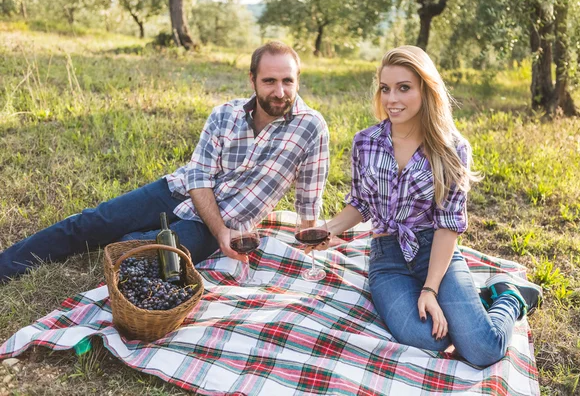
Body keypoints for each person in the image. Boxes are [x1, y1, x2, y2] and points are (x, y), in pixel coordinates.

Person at [0, 41, 330, 283]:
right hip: (177, 192)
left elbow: (308, 200)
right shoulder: (224, 115)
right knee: (90, 222)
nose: (280, 91)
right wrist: (221, 231)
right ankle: (5, 266)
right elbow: (198, 178)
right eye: (270, 81)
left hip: (218, 222)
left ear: (298, 80)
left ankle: (135, 237)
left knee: (139, 255)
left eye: (288, 81)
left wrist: (311, 235)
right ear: (253, 80)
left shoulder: (311, 128)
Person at [310, 46, 542, 368]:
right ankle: (468, 305)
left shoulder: (452, 149)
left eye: (404, 88)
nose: (392, 99)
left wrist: (430, 289)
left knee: (482, 349)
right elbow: (362, 203)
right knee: (431, 337)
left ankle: (508, 296)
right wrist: (328, 228)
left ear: (426, 90)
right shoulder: (365, 142)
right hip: (386, 256)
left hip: (435, 250)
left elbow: (448, 225)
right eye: (385, 88)